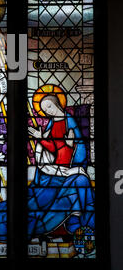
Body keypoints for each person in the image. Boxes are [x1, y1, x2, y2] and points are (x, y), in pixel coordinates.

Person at [28, 86, 95, 245]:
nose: (48, 111)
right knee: (78, 182)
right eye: (44, 110)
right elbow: (52, 148)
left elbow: (79, 149)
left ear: (58, 103)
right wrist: (40, 138)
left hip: (69, 167)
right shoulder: (50, 124)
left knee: (80, 181)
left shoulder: (69, 121)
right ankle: (72, 223)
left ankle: (79, 224)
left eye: (49, 107)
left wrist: (70, 147)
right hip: (51, 172)